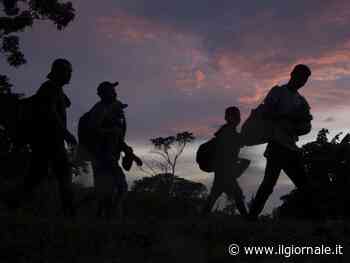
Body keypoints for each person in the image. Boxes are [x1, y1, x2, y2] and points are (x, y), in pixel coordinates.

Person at [6, 58, 77, 217]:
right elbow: (50, 112)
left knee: (36, 176)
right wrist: (66, 133)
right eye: (68, 71)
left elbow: (62, 104)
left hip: (46, 141)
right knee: (63, 173)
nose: (70, 74)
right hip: (49, 140)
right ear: (59, 72)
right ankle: (69, 212)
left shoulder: (54, 89)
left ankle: (12, 202)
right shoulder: (49, 88)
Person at [248, 64, 314, 220]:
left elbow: (306, 127)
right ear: (292, 74)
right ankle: (251, 218)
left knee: (305, 186)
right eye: (300, 76)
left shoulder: (302, 101)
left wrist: (299, 124)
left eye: (305, 79)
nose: (302, 81)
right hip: (276, 145)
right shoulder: (278, 92)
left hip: (291, 148)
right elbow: (266, 112)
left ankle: (315, 221)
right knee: (268, 185)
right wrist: (288, 116)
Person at [84, 81, 141, 220]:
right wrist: (111, 132)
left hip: (109, 156)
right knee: (117, 188)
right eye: (111, 91)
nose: (115, 93)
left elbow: (118, 139)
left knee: (108, 191)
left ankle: (103, 219)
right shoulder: (99, 110)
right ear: (103, 94)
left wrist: (131, 154)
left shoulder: (112, 111)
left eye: (114, 90)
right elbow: (94, 131)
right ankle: (105, 219)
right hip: (101, 156)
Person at [201, 106, 249, 216]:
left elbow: (237, 145)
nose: (238, 119)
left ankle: (201, 218)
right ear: (228, 118)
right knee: (237, 194)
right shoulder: (227, 132)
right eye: (235, 116)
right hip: (225, 171)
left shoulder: (226, 131)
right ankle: (248, 220)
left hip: (223, 170)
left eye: (238, 116)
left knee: (216, 195)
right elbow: (231, 148)